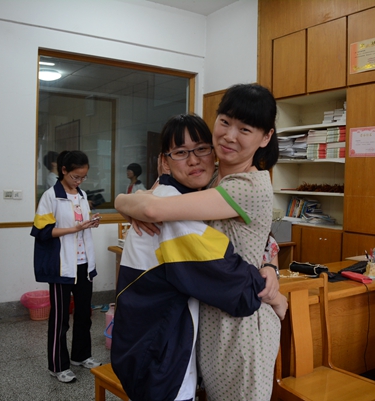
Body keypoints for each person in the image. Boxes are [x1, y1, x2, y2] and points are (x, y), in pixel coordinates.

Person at [114, 83, 281, 400]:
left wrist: (128, 203)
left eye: (245, 129)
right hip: (207, 320)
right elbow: (264, 239)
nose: (229, 136)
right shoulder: (211, 176)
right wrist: (127, 204)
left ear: (265, 137)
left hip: (240, 325)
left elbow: (153, 207)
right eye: (225, 122)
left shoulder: (247, 185)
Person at [30, 150, 102, 383]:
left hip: (83, 263)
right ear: (63, 170)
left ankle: (81, 355)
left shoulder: (81, 194)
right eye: (75, 176)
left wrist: (91, 223)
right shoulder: (51, 196)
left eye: (83, 177)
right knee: (60, 319)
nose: (79, 181)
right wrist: (75, 228)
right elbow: (42, 232)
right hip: (62, 265)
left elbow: (81, 223)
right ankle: (57, 365)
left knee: (84, 314)